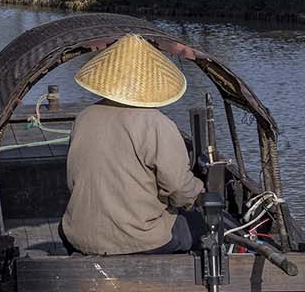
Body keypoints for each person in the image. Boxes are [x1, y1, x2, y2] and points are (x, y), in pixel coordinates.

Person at [60, 32, 205, 256]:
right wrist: (201, 193)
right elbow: (179, 188)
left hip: (78, 236)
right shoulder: (156, 123)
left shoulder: (84, 117)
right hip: (140, 240)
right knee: (201, 224)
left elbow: (73, 179)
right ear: (153, 84)